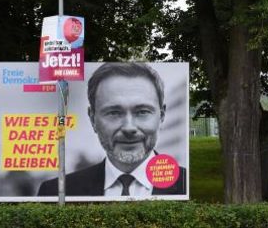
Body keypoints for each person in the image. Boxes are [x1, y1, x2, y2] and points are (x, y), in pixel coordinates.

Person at [37, 62, 186, 197]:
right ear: (93, 119)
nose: (129, 127)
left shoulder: (187, 184)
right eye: (114, 113)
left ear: (162, 116)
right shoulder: (52, 191)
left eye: (142, 112)